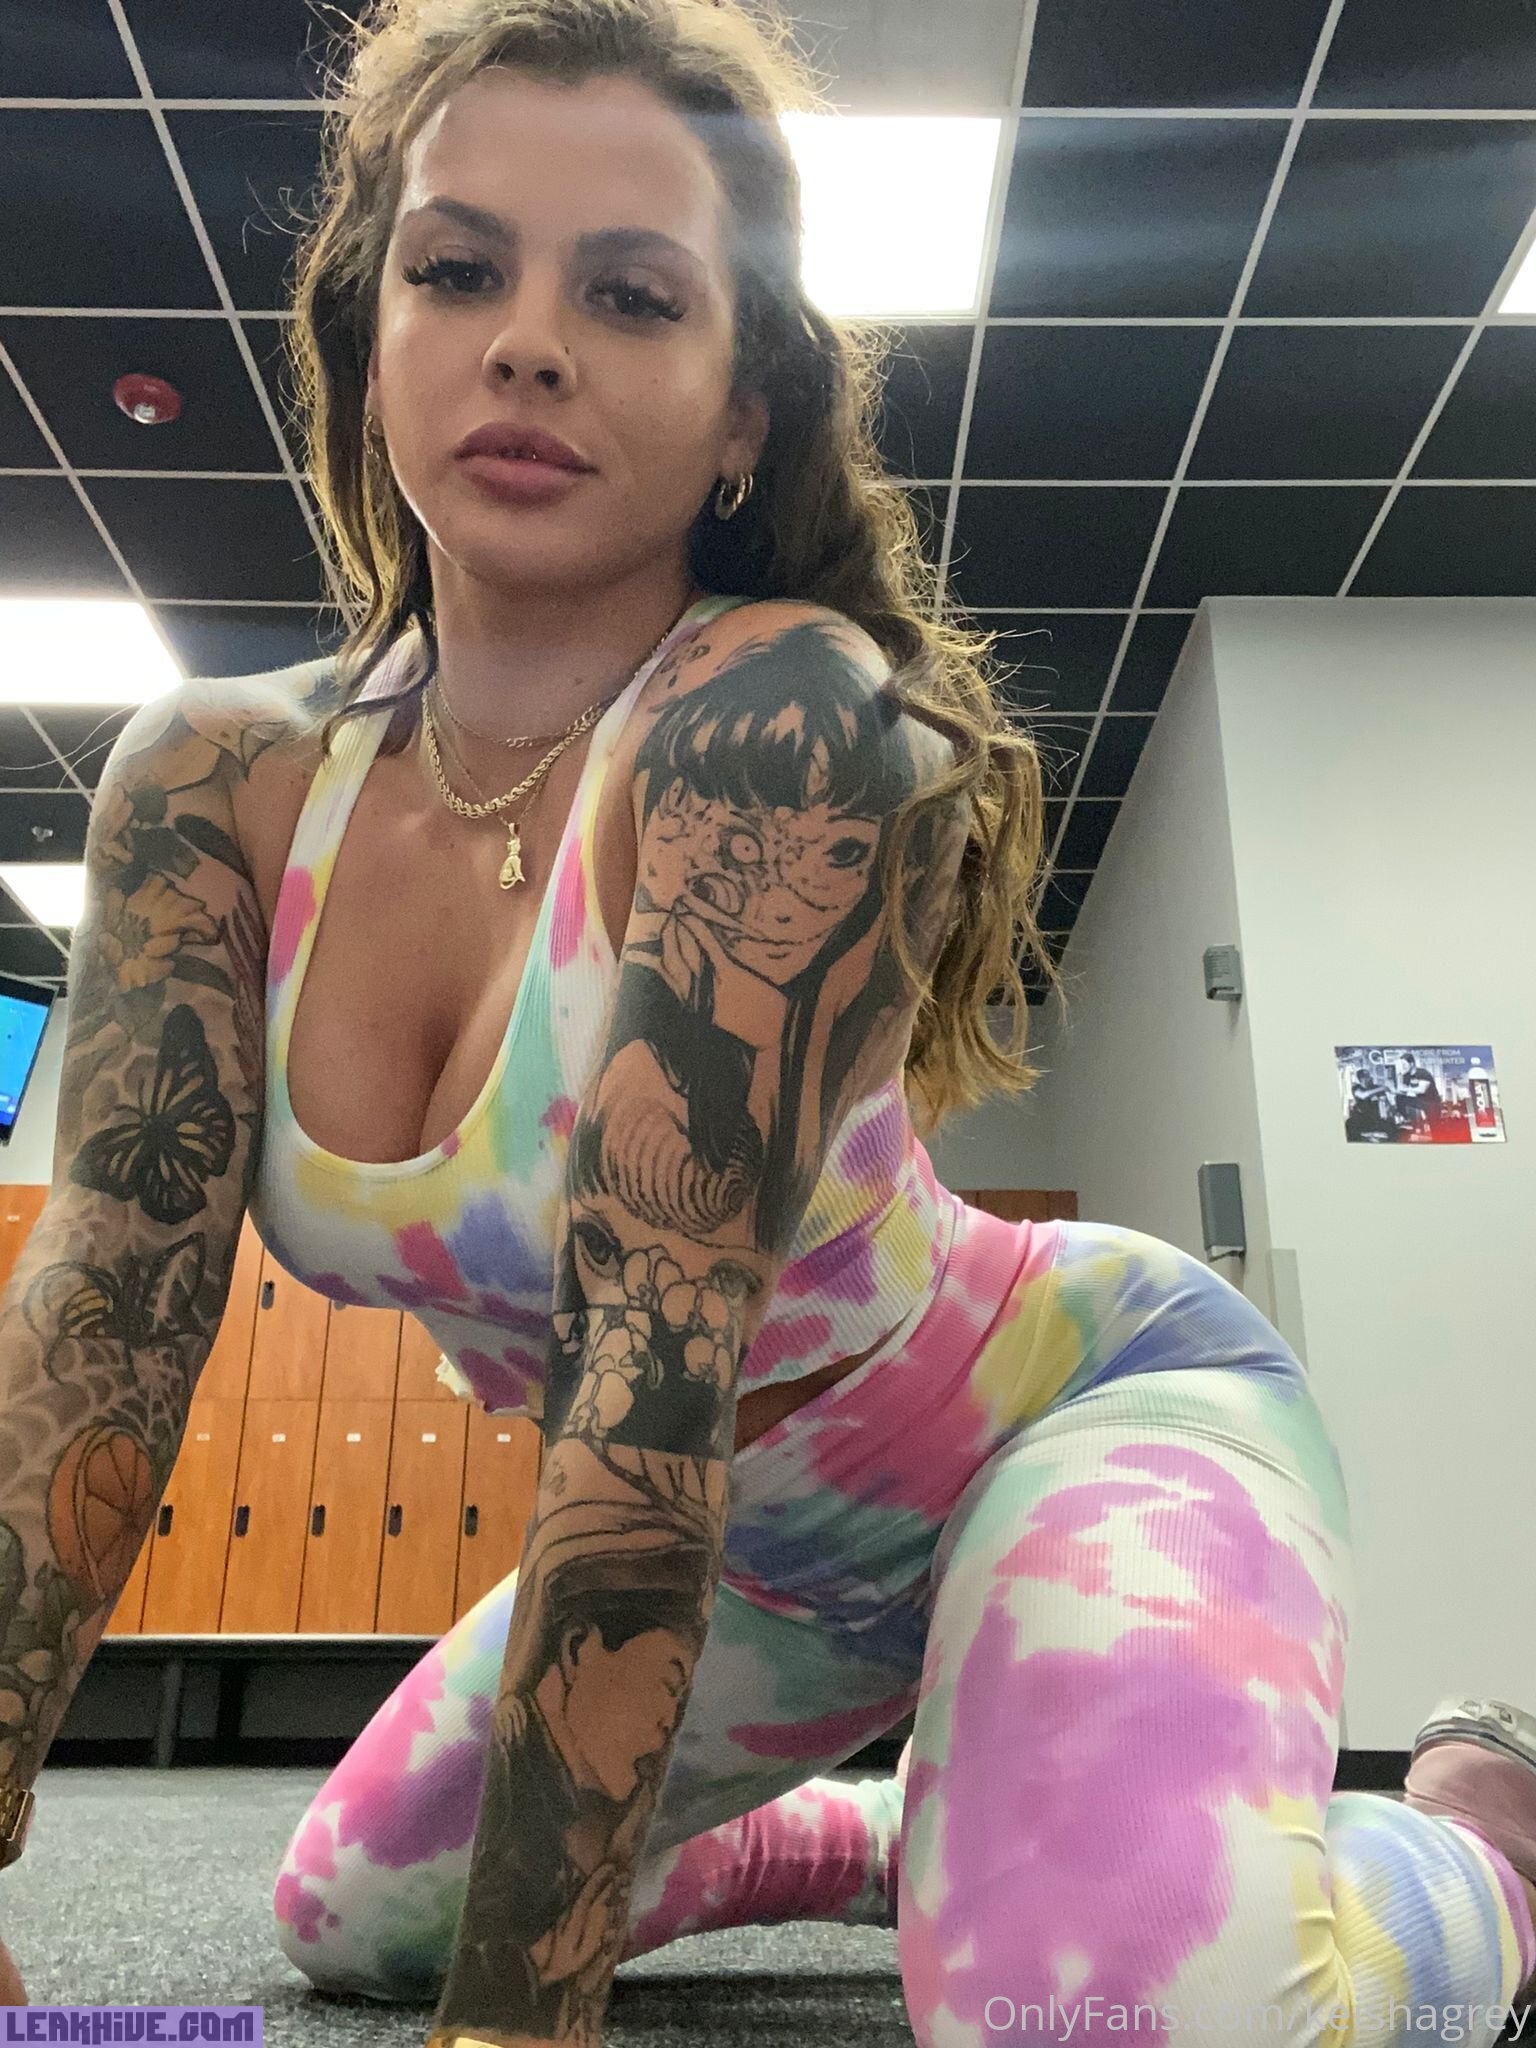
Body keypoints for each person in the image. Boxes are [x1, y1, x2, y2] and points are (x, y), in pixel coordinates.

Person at [2, 2, 1535, 2042]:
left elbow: (648, 1382)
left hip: (1068, 1423)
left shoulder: (788, 723)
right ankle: (917, 1833)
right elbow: (99, 1325)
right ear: (370, 338)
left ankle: (1479, 1852)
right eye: (458, 269)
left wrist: (518, 2026)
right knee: (354, 1916)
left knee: (1099, 2019)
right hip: (767, 1567)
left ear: (745, 414)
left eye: (630, 294)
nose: (526, 343)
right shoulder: (213, 781)